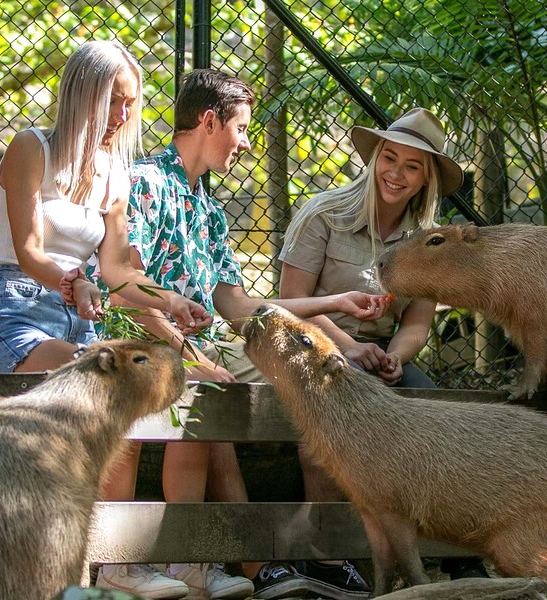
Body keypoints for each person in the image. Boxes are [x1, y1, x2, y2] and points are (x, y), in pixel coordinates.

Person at [91, 68, 390, 600]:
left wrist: (332, 303)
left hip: (207, 344)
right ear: (210, 121)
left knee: (315, 374)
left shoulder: (207, 207)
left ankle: (322, 554)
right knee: (209, 392)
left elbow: (235, 305)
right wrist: (189, 353)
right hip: (150, 340)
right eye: (242, 128)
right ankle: (227, 561)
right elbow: (124, 295)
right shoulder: (143, 184)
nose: (247, 143)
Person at [0, 40, 214, 600]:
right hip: (21, 312)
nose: (124, 116)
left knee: (128, 390)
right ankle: (84, 570)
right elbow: (31, 250)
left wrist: (168, 301)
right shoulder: (30, 147)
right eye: (115, 102)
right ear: (84, 95)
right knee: (110, 388)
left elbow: (115, 271)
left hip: (82, 322)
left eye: (132, 104)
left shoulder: (115, 173)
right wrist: (71, 280)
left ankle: (114, 566)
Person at [279, 107, 491, 582]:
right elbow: (290, 304)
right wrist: (347, 347)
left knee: (433, 405)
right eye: (389, 158)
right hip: (314, 344)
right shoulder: (325, 213)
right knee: (334, 413)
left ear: (425, 180)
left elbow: (417, 324)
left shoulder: (426, 242)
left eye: (412, 166)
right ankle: (326, 555)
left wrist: (396, 357)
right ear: (374, 159)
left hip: (379, 357)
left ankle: (458, 551)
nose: (396, 173)